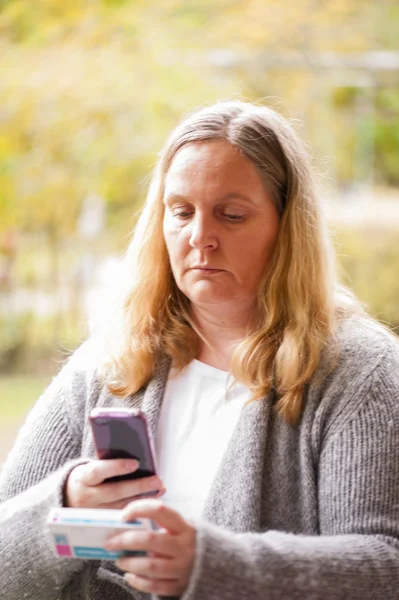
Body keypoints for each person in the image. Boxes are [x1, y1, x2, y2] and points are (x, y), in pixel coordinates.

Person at [1, 100, 399, 600]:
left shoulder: (357, 370)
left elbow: (385, 567)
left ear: (286, 228)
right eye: (181, 211)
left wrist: (213, 567)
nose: (200, 237)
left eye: (231, 215)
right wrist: (62, 508)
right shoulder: (113, 359)